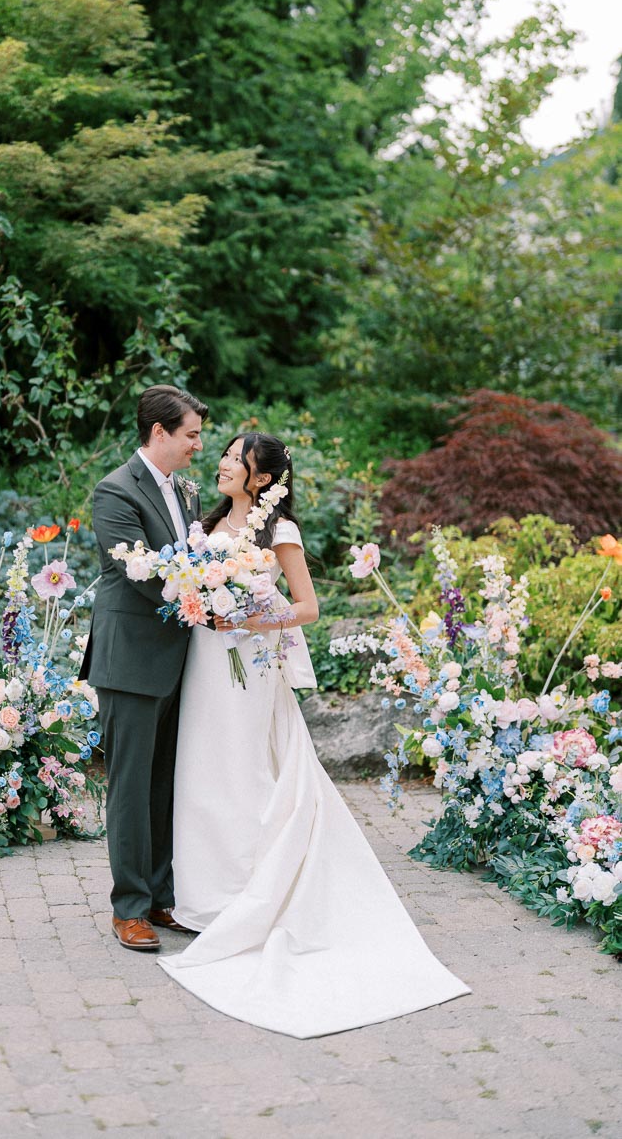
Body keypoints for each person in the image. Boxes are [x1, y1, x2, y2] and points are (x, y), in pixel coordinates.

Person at [158, 432, 470, 1036]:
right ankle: (203, 900)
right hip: (206, 659)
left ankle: (247, 896)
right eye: (222, 452)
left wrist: (248, 614)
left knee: (244, 771)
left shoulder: (281, 533)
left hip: (249, 666)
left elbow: (306, 607)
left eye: (234, 457)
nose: (222, 462)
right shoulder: (209, 520)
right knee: (201, 769)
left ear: (263, 479)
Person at [81, 383, 208, 951]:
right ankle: (127, 907)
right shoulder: (114, 492)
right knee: (130, 787)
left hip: (181, 658)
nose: (198, 446)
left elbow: (198, 557)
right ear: (160, 433)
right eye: (191, 435)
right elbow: (141, 574)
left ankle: (161, 898)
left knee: (164, 782)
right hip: (131, 659)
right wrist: (205, 600)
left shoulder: (186, 491)